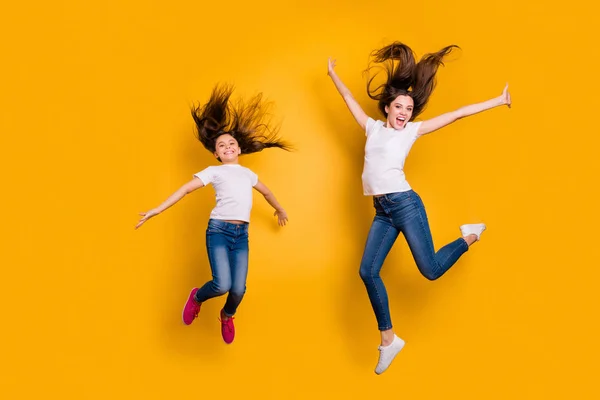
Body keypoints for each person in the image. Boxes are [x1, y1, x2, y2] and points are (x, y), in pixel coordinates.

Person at [327, 42, 511, 374]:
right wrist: (332, 74)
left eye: (409, 109)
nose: (404, 113)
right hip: (382, 210)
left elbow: (456, 114)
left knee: (430, 270)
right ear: (387, 107)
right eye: (399, 107)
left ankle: (469, 236)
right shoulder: (371, 128)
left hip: (405, 204)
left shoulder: (411, 132)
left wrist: (497, 101)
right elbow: (348, 100)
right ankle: (389, 340)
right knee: (367, 271)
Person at [136, 84, 290, 344]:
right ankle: (196, 297)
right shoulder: (213, 171)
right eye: (222, 145)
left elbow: (266, 192)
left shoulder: (248, 174)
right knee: (222, 284)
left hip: (241, 236)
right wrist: (157, 209)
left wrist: (279, 208)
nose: (228, 146)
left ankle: (227, 315)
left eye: (232, 143)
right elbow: (186, 189)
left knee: (238, 289)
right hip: (218, 231)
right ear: (216, 154)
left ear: (239, 149)